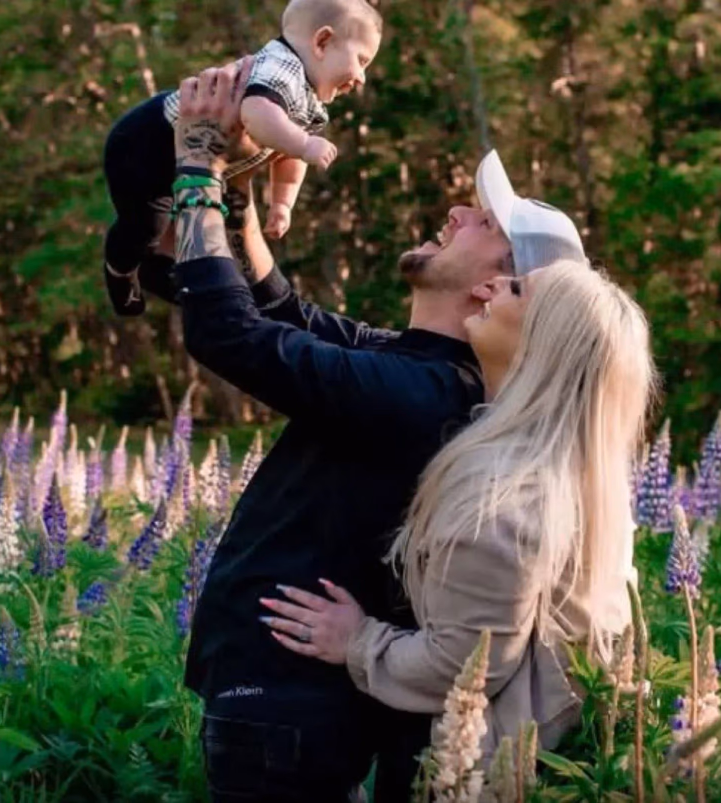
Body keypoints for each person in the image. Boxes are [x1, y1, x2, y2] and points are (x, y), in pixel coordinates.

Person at [165, 62, 589, 802]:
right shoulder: (420, 367)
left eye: (483, 222)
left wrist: (197, 163)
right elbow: (284, 313)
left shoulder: (416, 393)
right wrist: (238, 195)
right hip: (287, 708)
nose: (457, 211)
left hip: (287, 712)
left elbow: (230, 336)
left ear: (501, 283)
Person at [263, 259, 654, 757]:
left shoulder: (502, 496)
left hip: (480, 769)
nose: (488, 284)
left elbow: (466, 666)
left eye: (515, 288)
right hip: (549, 761)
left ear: (543, 345)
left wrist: (360, 641)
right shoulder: (570, 474)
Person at [103, 0, 382, 318]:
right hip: (143, 141)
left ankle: (154, 267)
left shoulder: (308, 100)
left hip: (186, 152)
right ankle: (119, 271)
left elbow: (288, 156)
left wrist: (282, 204)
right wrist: (304, 144)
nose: (361, 78)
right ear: (322, 41)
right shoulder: (282, 68)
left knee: (162, 224)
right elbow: (255, 112)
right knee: (144, 225)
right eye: (361, 60)